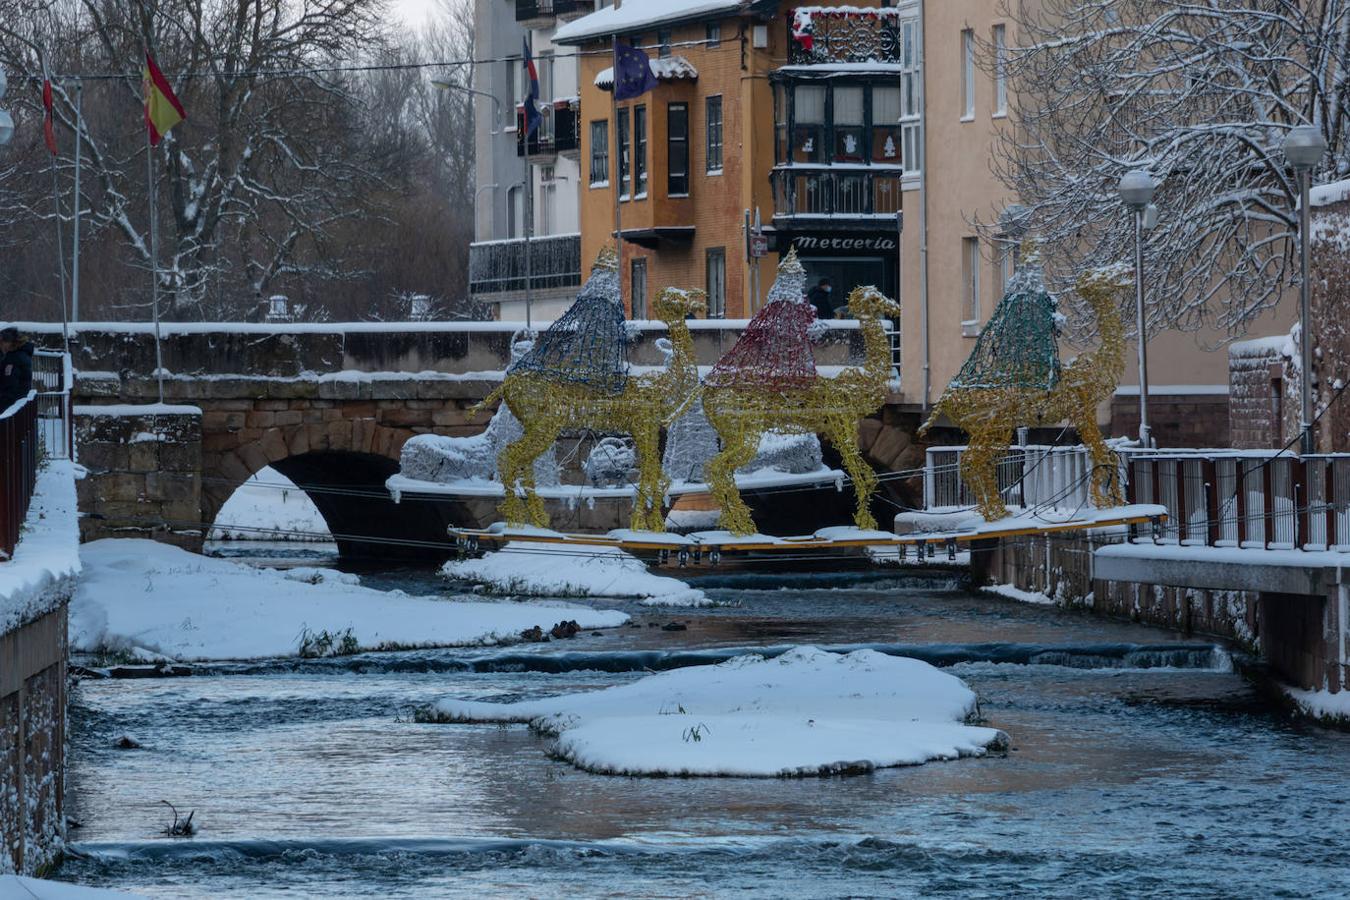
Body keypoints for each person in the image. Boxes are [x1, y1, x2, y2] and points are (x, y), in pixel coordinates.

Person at [0, 327, 34, 410]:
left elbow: (10, 386)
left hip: (11, 406)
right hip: (19, 404)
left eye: (1, 343)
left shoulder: (13, 359)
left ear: (8, 343)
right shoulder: (22, 354)